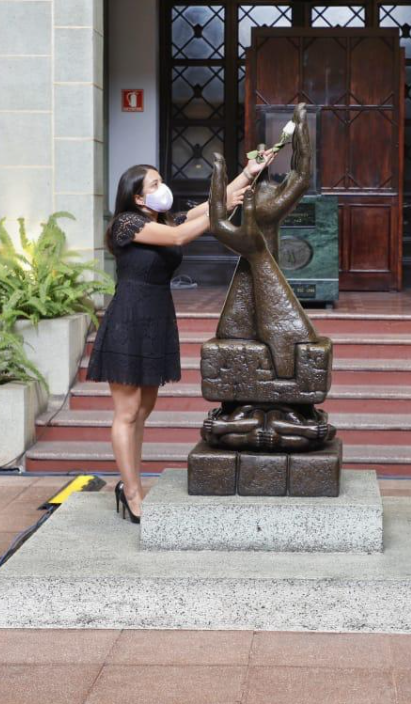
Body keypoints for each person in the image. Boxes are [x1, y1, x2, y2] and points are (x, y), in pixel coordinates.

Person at [85, 155, 272, 522]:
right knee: (126, 412)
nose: (162, 188)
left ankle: (132, 483)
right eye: (154, 185)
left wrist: (248, 173)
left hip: (156, 318)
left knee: (143, 411)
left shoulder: (161, 219)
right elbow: (180, 236)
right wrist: (221, 211)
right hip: (129, 319)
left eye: (159, 181)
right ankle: (132, 492)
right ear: (138, 198)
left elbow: (205, 206)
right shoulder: (126, 224)